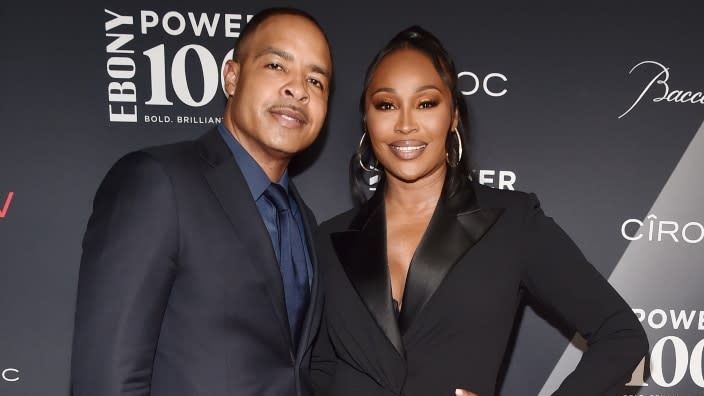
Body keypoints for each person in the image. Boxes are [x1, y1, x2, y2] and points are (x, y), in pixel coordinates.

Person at [311, 26, 648, 396]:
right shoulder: (328, 239)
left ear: (453, 116)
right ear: (367, 120)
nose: (405, 124)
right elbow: (319, 370)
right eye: (386, 105)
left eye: (426, 103)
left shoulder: (512, 223)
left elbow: (622, 336)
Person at [71, 7, 332, 396]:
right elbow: (106, 380)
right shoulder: (157, 182)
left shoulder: (304, 221)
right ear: (232, 76)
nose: (298, 90)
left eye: (316, 80)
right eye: (277, 66)